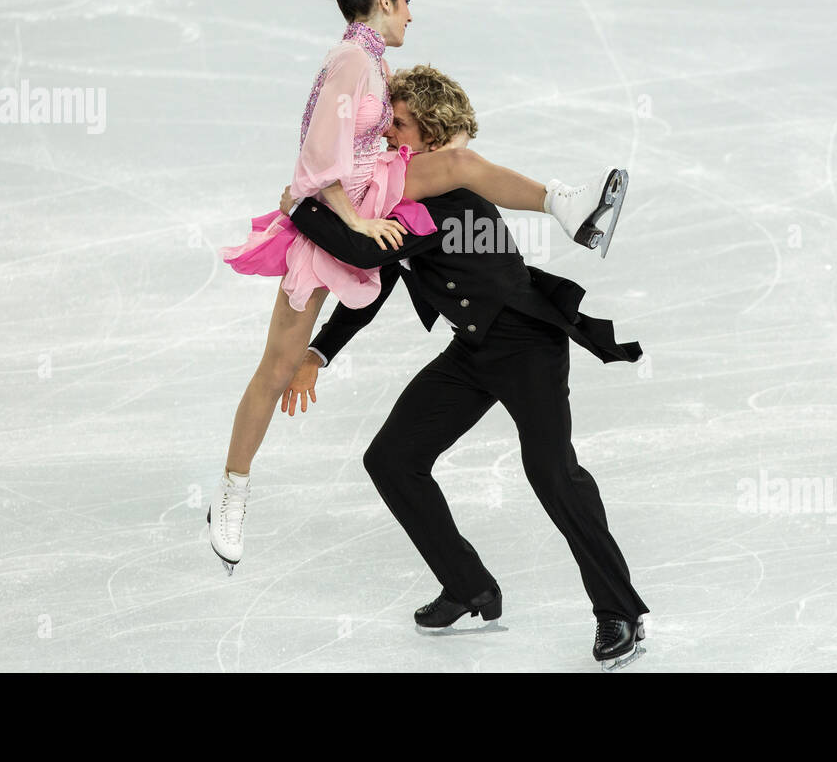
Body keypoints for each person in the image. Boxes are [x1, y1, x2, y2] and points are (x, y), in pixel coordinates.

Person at [208, 0, 628, 583]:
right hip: (344, 205)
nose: (412, 10)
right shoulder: (353, 59)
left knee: (459, 165)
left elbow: (372, 174)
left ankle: (567, 205)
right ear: (382, 1)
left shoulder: (372, 60)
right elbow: (318, 152)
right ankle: (232, 495)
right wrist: (346, 219)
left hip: (381, 204)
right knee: (276, 366)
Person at [276, 64, 648, 671]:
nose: (386, 139)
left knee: (554, 475)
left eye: (398, 126)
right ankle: (468, 584)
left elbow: (363, 250)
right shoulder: (401, 195)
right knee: (393, 459)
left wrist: (302, 206)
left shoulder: (440, 200)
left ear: (428, 134)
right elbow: (376, 284)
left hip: (526, 344)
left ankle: (619, 611)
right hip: (473, 350)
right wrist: (317, 353)